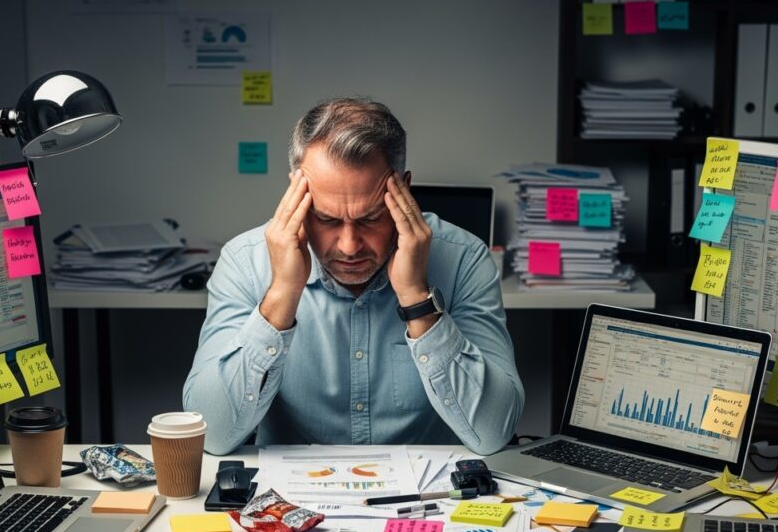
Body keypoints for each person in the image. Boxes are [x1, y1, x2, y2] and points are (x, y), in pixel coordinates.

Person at [183, 97, 524, 455]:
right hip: (289, 501)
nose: (348, 246)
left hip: (429, 501)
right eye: (327, 219)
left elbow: (492, 432)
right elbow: (213, 434)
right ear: (296, 192)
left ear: (404, 191)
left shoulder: (465, 259)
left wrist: (417, 299)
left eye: (371, 218)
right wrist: (283, 292)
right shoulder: (244, 261)